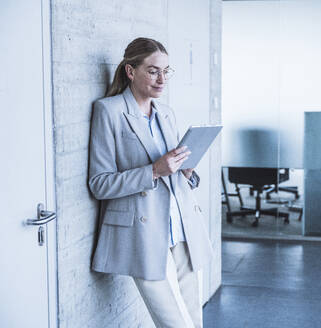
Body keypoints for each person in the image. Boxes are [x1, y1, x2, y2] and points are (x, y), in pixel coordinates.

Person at [88, 37, 213, 328]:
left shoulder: (165, 112)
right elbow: (99, 183)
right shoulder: (109, 111)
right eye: (153, 71)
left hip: (182, 228)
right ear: (131, 71)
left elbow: (175, 170)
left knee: (194, 319)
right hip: (143, 233)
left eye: (166, 71)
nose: (161, 79)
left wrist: (186, 172)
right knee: (175, 324)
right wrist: (154, 171)